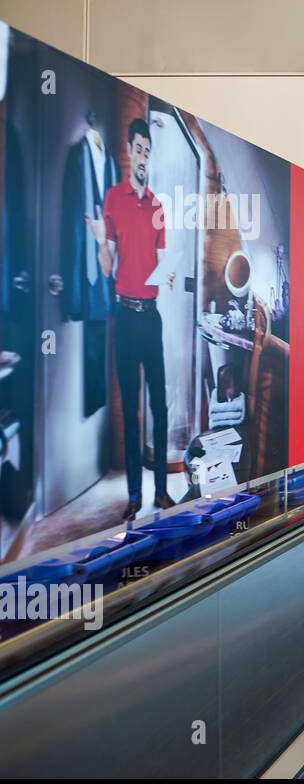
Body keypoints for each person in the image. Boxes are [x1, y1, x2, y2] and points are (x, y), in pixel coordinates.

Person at [88, 118, 175, 521]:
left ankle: (160, 492)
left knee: (159, 406)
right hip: (125, 317)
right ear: (128, 151)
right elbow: (107, 267)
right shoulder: (113, 199)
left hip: (151, 318)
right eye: (138, 149)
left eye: (148, 151)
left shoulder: (158, 206)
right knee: (132, 413)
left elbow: (160, 262)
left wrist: (167, 273)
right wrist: (96, 241)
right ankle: (135, 497)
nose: (143, 157)